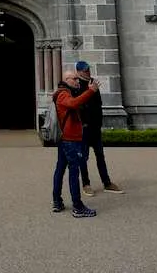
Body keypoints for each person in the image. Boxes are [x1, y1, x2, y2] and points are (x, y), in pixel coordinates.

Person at [50, 69, 99, 217]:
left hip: (67, 139)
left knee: (60, 169)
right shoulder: (63, 94)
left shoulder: (66, 92)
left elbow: (77, 101)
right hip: (70, 140)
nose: (78, 81)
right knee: (73, 171)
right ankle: (77, 207)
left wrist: (88, 90)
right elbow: (73, 103)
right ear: (66, 80)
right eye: (75, 79)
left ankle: (57, 202)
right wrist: (91, 91)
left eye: (78, 79)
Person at [75, 61, 124, 196]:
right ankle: (86, 184)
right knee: (83, 157)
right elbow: (78, 104)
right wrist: (90, 91)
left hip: (95, 127)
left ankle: (107, 182)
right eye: (85, 70)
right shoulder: (77, 85)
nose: (88, 72)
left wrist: (99, 123)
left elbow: (98, 105)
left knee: (100, 156)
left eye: (88, 69)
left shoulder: (93, 83)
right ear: (79, 72)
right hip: (84, 128)